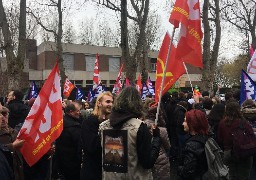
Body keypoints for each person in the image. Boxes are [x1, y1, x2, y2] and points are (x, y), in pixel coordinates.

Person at [99, 86, 161, 179]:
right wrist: (156, 138)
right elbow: (147, 162)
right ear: (137, 104)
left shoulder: (103, 126)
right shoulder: (139, 127)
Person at [80, 91, 113, 180]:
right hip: (92, 172)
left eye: (112, 102)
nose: (111, 104)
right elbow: (91, 147)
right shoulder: (89, 122)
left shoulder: (112, 123)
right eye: (108, 102)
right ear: (99, 103)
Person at [218, 101, 253, 180]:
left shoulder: (222, 123)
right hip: (244, 152)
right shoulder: (244, 123)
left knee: (229, 176)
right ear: (238, 110)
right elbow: (251, 137)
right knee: (243, 176)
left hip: (228, 152)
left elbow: (220, 138)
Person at [177, 109, 209, 180]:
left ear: (192, 123)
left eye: (185, 121)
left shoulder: (192, 145)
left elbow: (187, 172)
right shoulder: (206, 137)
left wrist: (179, 169)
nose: (182, 124)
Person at [55, 102, 82, 180]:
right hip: (73, 163)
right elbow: (79, 145)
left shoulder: (60, 123)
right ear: (71, 112)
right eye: (78, 111)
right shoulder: (74, 127)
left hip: (61, 162)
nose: (79, 113)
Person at [144, 105, 170, 180]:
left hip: (146, 157)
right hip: (160, 160)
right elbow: (167, 146)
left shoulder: (142, 127)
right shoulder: (162, 130)